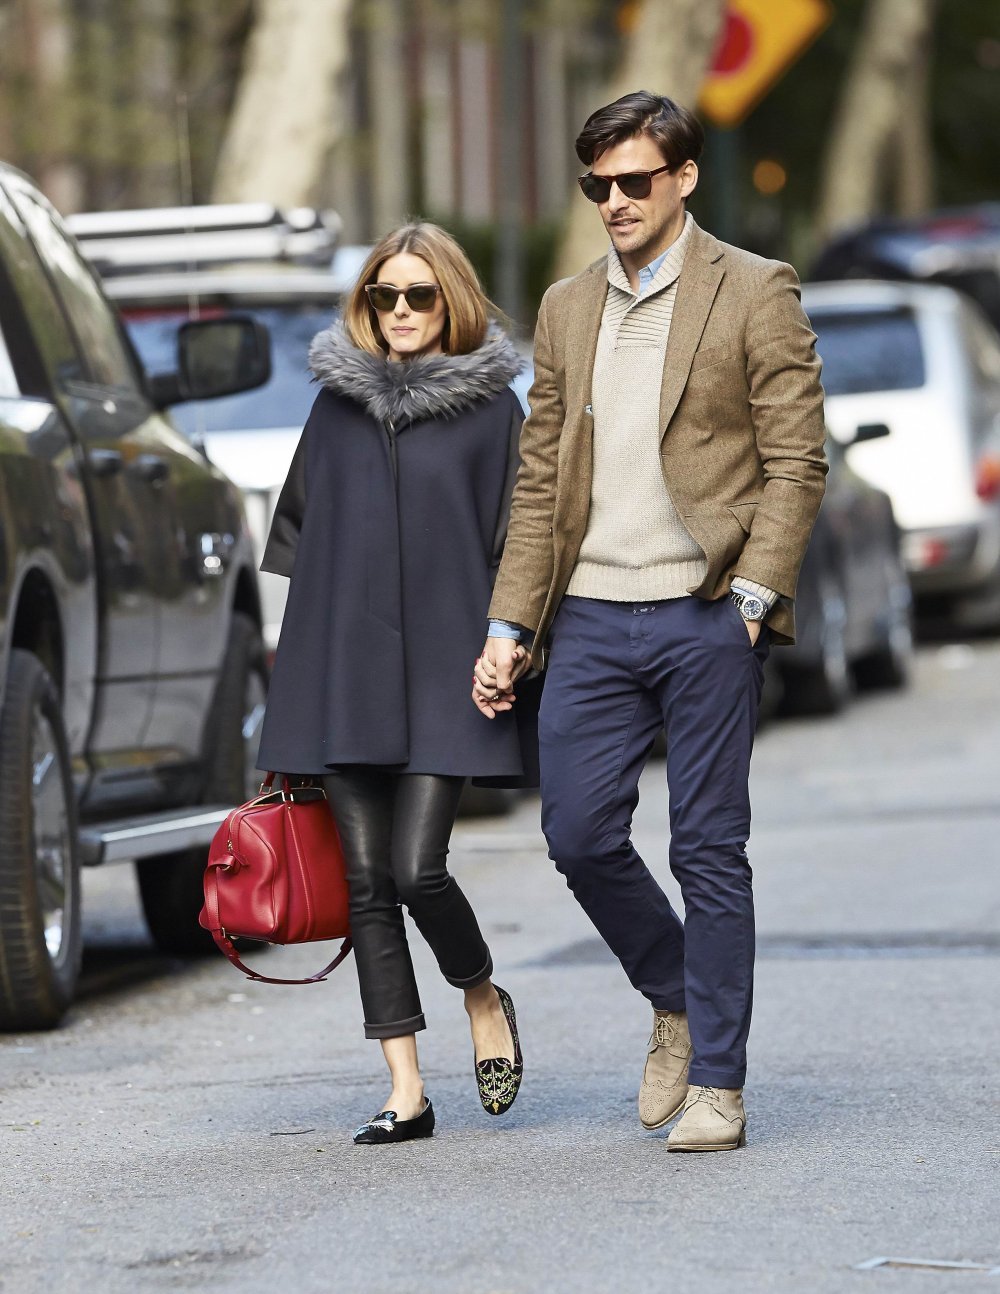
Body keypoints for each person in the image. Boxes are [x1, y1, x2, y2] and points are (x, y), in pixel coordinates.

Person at [474, 91, 827, 1152]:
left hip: (707, 612)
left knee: (709, 849)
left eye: (634, 181)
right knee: (577, 835)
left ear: (683, 178)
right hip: (590, 615)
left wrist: (754, 598)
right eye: (598, 185)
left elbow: (796, 458)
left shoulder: (753, 288)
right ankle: (676, 994)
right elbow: (541, 479)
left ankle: (717, 1081)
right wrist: (510, 624)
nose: (615, 201)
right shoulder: (566, 306)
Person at [258, 222, 532, 1145]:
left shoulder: (492, 412)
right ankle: (405, 1090)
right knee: (367, 883)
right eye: (386, 296)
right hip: (344, 669)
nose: (402, 311)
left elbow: (520, 546)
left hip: (448, 671)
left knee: (418, 871)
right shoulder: (335, 408)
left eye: (420, 295)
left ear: (451, 300)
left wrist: (509, 643)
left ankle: (481, 993)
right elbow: (299, 540)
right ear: (367, 304)